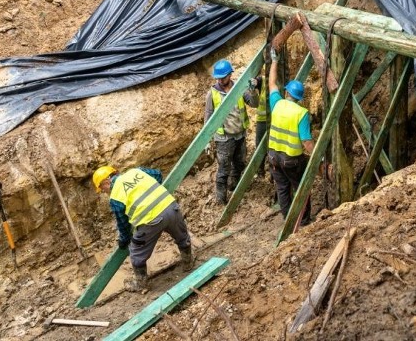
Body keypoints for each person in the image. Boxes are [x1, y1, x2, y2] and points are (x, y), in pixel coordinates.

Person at [92, 165, 194, 291]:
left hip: (151, 221)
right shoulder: (136, 171)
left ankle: (141, 284)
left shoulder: (115, 197)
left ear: (106, 182)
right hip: (171, 207)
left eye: (102, 189)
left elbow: (123, 224)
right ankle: (188, 263)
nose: (104, 192)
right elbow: (157, 175)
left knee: (136, 253)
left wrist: (124, 241)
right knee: (182, 236)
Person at [266, 46, 314, 225]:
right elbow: (306, 142)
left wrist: (275, 61)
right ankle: (304, 222)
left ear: (286, 93)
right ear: (299, 98)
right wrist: (320, 157)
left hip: (273, 157)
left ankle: (287, 219)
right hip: (292, 160)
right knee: (302, 189)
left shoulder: (277, 104)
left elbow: (272, 83)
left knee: (283, 189)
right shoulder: (301, 113)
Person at [205, 59, 260, 205]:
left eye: (223, 77)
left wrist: (253, 90)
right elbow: (208, 117)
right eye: (218, 77)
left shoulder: (239, 88)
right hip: (224, 139)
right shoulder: (212, 94)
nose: (220, 80)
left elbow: (254, 104)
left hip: (240, 135)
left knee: (239, 163)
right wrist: (206, 140)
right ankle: (221, 200)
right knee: (223, 169)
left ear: (230, 75)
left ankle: (234, 186)